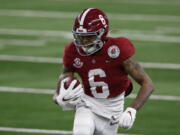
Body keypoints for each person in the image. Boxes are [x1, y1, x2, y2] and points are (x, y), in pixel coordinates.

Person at [53, 8, 154, 135]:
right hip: (87, 103)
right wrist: (60, 94)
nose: (83, 43)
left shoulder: (117, 49)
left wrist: (132, 110)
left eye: (88, 37)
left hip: (113, 108)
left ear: (102, 33)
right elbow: (66, 73)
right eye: (80, 37)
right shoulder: (72, 50)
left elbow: (147, 83)